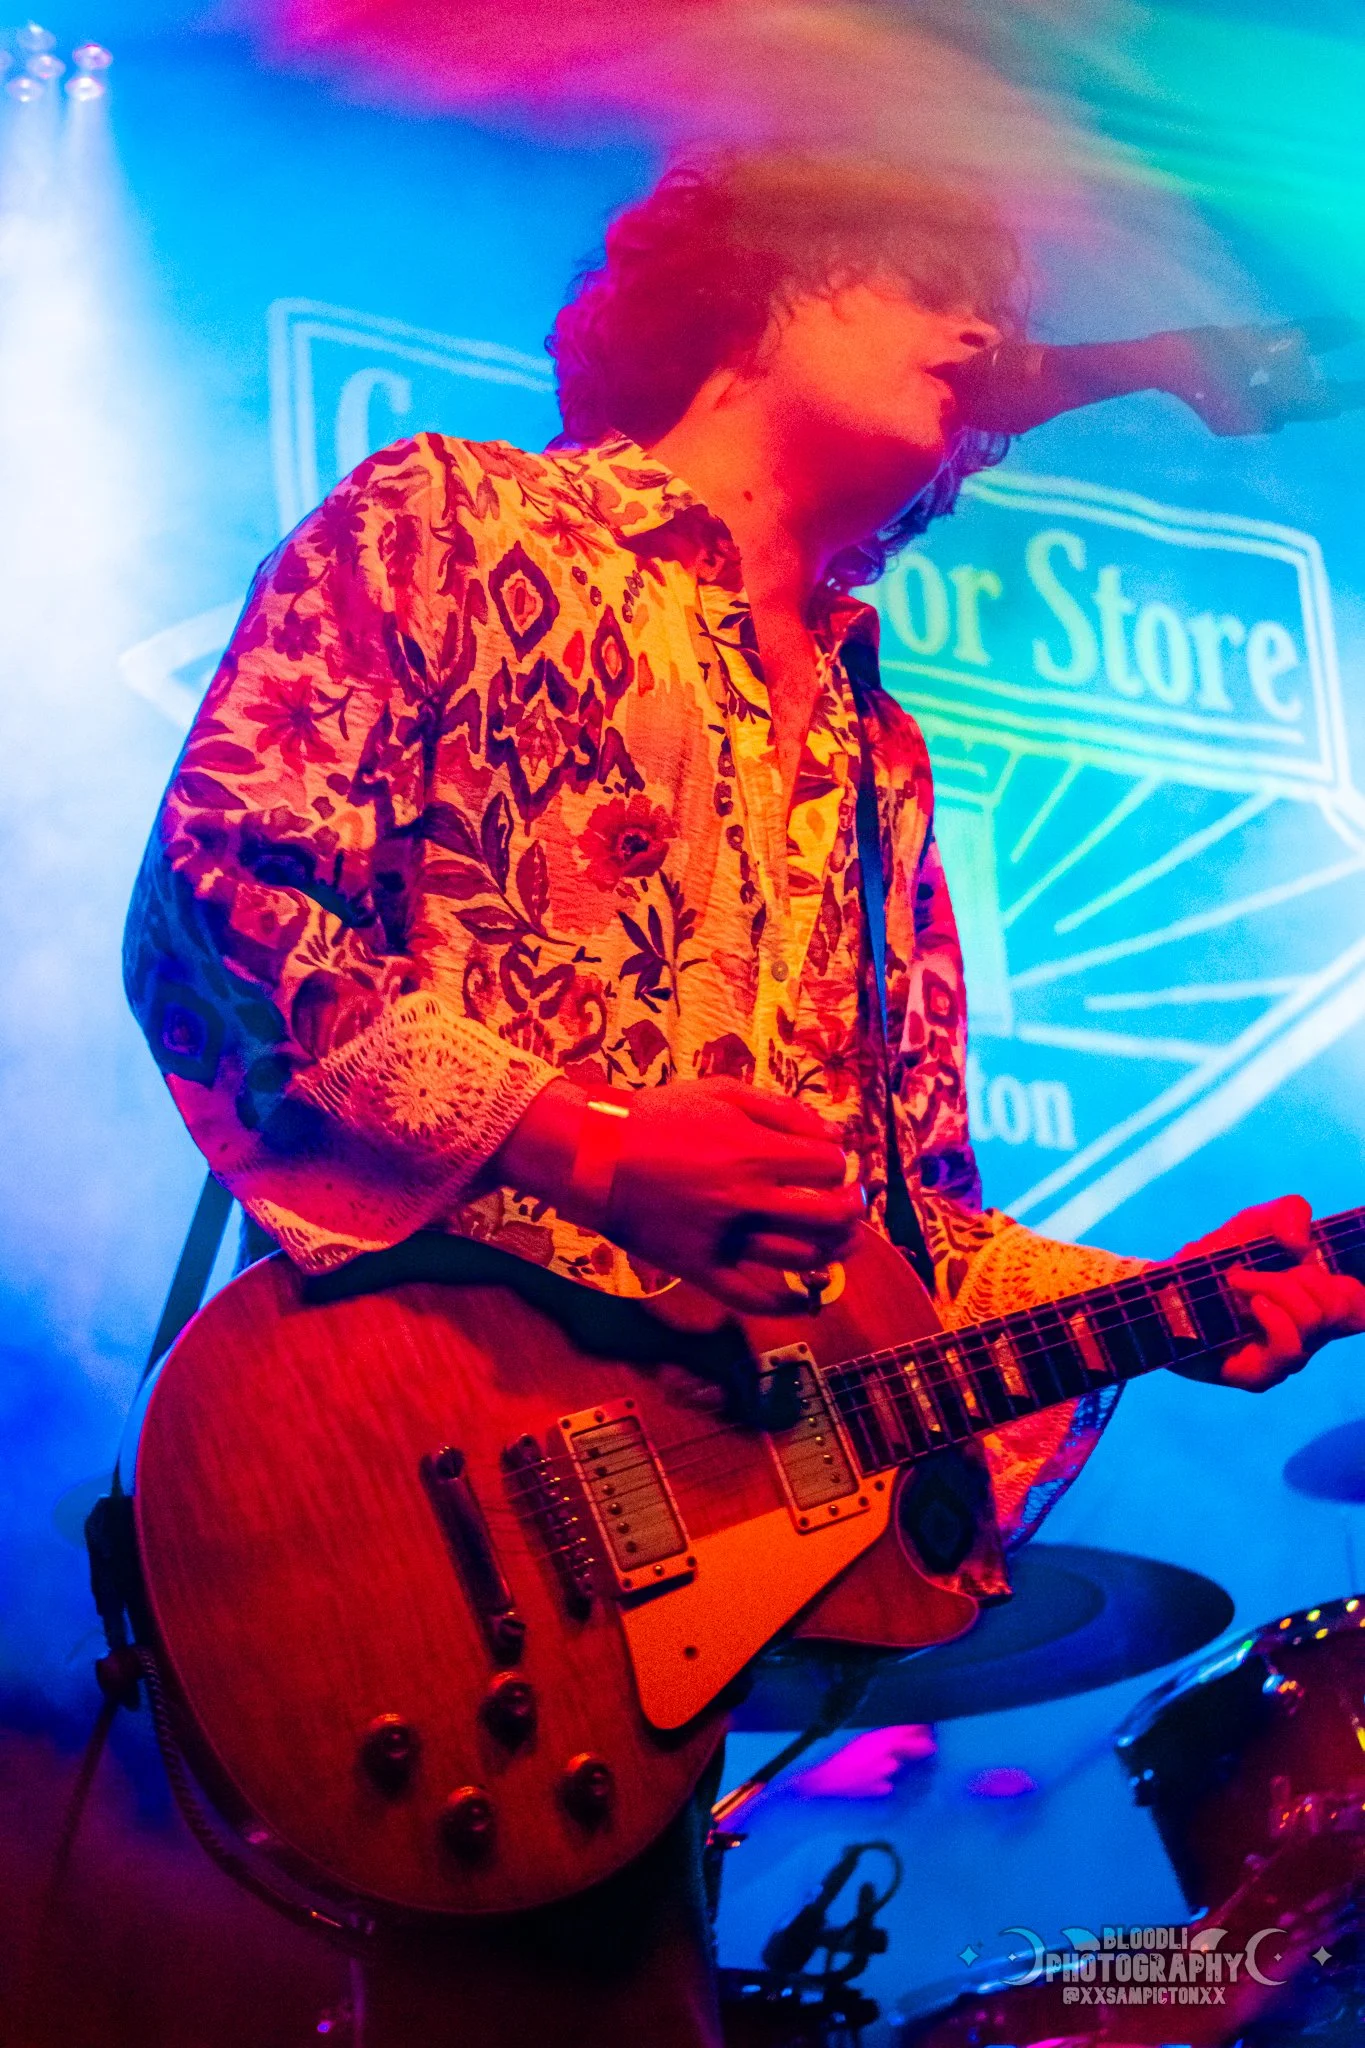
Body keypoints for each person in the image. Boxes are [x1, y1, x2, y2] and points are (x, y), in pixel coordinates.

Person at [124, 154, 1365, 2047]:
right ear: (752, 296)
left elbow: (899, 1234)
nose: (982, 330)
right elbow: (221, 904)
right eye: (917, 277)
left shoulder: (874, 745)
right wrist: (591, 1146)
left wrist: (1158, 1302)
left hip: (645, 1589)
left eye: (992, 294)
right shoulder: (460, 523)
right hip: (398, 1486)